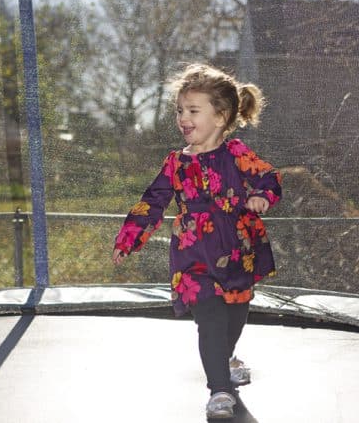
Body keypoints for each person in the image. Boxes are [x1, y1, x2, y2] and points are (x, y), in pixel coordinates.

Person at [112, 63, 282, 420]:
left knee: (234, 316)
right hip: (193, 254)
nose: (182, 118)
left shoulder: (236, 154)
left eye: (192, 111)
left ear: (220, 117)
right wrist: (130, 237)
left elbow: (268, 176)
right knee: (208, 317)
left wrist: (263, 197)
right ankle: (220, 389)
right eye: (179, 111)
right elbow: (153, 201)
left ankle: (227, 358)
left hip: (237, 250)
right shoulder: (175, 163)